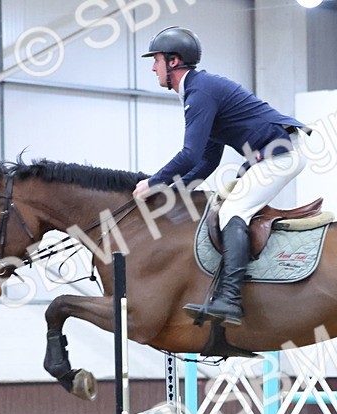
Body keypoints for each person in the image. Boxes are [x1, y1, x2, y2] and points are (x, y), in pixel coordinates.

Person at [133, 26, 310, 327]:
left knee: (232, 210)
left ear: (173, 61)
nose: (153, 67)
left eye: (157, 60)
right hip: (269, 155)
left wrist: (153, 183)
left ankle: (230, 299)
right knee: (224, 206)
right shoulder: (199, 90)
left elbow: (189, 155)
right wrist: (176, 193)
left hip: (280, 155)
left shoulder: (200, 92)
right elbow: (206, 161)